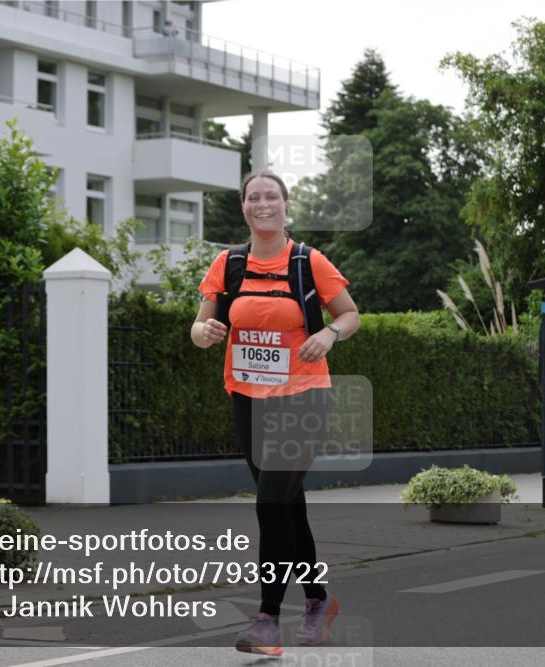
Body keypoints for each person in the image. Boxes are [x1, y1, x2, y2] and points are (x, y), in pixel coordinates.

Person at [191, 171, 360, 655]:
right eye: (252, 197)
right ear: (243, 207)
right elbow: (202, 321)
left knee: (269, 503)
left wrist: (329, 334)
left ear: (286, 205)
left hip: (303, 397)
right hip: (247, 398)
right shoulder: (229, 263)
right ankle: (317, 599)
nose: (262, 204)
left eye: (271, 196)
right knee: (287, 507)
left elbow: (350, 314)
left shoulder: (309, 261)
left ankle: (266, 620)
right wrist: (201, 332)